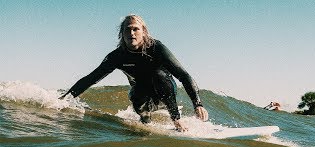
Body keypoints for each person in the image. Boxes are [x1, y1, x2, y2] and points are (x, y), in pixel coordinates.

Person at [60, 14, 208, 131]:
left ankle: (177, 121)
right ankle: (145, 122)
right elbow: (91, 79)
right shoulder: (117, 56)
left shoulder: (156, 48)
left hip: (164, 91)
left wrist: (198, 104)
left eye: (135, 29)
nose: (131, 33)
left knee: (159, 75)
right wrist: (64, 99)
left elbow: (183, 75)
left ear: (143, 32)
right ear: (121, 34)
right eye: (127, 29)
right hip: (142, 96)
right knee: (136, 91)